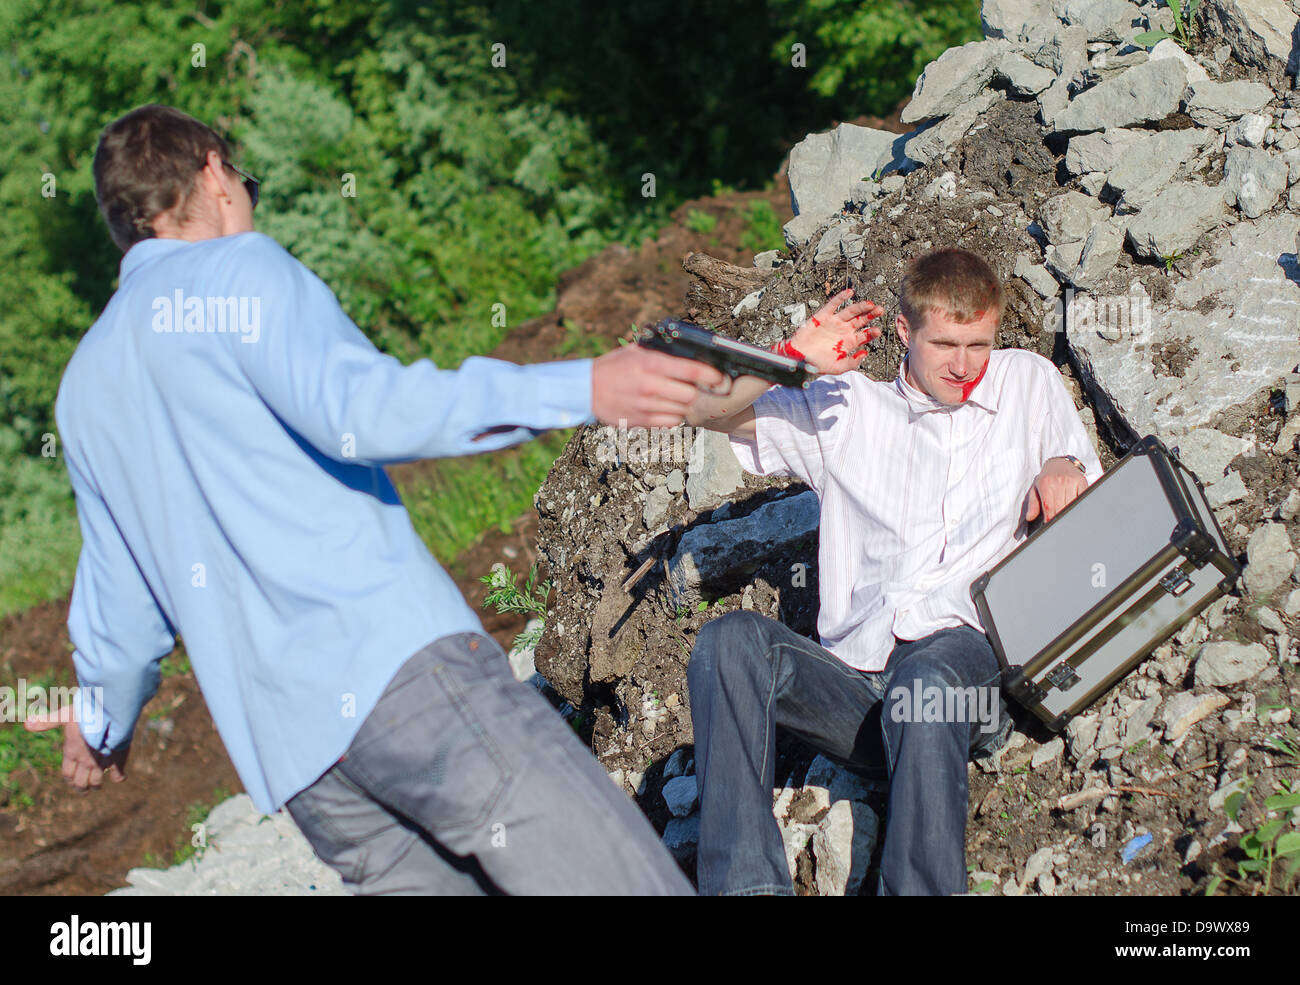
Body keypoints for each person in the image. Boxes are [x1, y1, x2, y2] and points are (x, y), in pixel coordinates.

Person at [25, 103, 725, 895]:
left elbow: (121, 604)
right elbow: (363, 413)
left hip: (307, 772)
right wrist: (584, 383)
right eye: (245, 180)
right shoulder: (240, 271)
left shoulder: (84, 386)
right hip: (400, 679)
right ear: (214, 171)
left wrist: (99, 719)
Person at [683, 247, 1103, 895]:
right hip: (859, 697)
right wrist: (790, 359)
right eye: (944, 344)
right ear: (905, 332)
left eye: (978, 344)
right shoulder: (847, 410)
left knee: (928, 674)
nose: (964, 366)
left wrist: (1062, 468)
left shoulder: (1025, 380)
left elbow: (1078, 468)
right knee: (728, 642)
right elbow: (704, 411)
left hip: (961, 677)